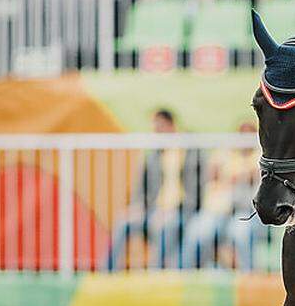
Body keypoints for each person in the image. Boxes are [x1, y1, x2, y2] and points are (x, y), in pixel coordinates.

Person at [107, 109, 202, 270]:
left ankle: (154, 274)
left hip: (180, 212)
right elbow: (141, 187)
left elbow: (195, 191)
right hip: (153, 211)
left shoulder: (189, 151)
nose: (157, 133)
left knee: (165, 226)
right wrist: (137, 206)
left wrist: (172, 210)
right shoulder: (153, 155)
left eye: (160, 128)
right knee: (123, 222)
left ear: (171, 125)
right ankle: (107, 272)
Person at [183, 121, 265, 269]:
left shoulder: (260, 157)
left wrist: (233, 177)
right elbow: (212, 173)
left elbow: (252, 176)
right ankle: (186, 275)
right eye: (242, 135)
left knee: (240, 232)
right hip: (217, 210)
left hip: (246, 212)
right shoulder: (226, 154)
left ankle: (249, 275)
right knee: (198, 232)